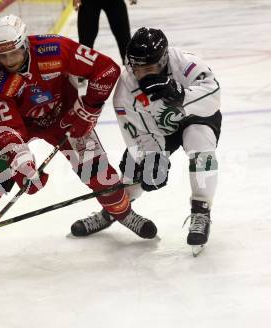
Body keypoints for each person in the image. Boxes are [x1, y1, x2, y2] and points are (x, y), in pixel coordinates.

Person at [0, 15, 157, 267]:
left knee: (99, 174)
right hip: (18, 128)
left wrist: (88, 108)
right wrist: (22, 162)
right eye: (1, 56)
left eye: (13, 54)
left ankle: (123, 214)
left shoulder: (54, 49)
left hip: (66, 117)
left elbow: (106, 69)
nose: (8, 62)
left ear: (24, 44)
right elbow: (4, 127)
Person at [70, 27, 221, 254]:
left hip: (196, 118)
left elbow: (213, 95)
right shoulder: (125, 89)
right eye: (136, 67)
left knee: (201, 149)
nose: (140, 73)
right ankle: (115, 209)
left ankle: (201, 212)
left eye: (148, 68)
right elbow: (137, 134)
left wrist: (180, 94)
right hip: (156, 130)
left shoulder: (184, 62)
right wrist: (152, 159)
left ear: (163, 60)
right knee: (133, 171)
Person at [73, 0, 137, 65]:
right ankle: (84, 69)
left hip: (114, 2)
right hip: (88, 2)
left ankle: (132, 68)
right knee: (85, 41)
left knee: (123, 37)